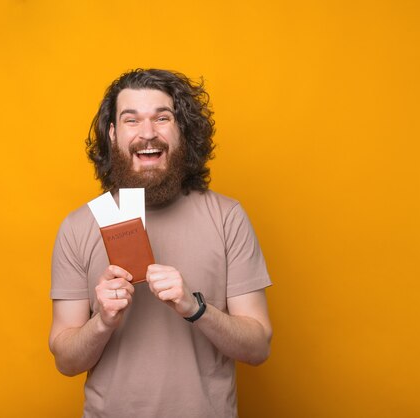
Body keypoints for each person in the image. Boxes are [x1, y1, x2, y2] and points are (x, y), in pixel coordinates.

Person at [49, 69, 272, 418]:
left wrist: (194, 307)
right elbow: (66, 360)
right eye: (131, 119)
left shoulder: (228, 217)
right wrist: (103, 321)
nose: (148, 133)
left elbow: (258, 347)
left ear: (182, 130)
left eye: (163, 118)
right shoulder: (78, 227)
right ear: (112, 134)